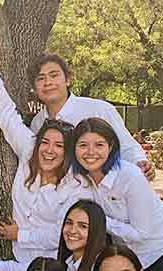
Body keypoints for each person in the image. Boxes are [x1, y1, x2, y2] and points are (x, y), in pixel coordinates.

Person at [0, 27, 81, 271]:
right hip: (18, 266)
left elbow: (63, 233)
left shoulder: (74, 185)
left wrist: (21, 234)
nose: (50, 151)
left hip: (55, 270)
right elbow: (7, 116)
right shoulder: (29, 151)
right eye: (46, 142)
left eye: (59, 146)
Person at [72, 117, 163, 271]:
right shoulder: (80, 179)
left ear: (110, 147)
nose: (90, 152)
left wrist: (99, 221)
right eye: (83, 145)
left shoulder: (129, 176)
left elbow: (142, 233)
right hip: (129, 256)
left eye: (99, 145)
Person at [27, 52, 155, 181]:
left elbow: (126, 146)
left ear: (68, 80)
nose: (48, 82)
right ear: (35, 88)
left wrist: (141, 163)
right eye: (40, 78)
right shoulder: (37, 124)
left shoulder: (100, 110)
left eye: (54, 75)